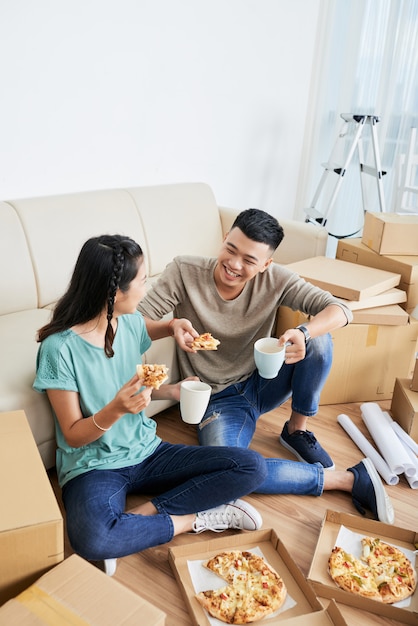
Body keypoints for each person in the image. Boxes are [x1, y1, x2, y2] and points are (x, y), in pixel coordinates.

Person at [137, 208, 394, 524]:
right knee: (228, 469)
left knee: (319, 340)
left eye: (248, 260)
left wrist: (303, 332)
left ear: (266, 265)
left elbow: (340, 310)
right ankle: (349, 480)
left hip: (264, 380)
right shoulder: (184, 271)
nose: (233, 264)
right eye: (230, 249)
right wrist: (172, 324)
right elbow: (134, 324)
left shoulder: (277, 279)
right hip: (217, 399)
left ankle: (297, 431)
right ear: (224, 239)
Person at [33, 234, 268, 577]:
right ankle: (192, 520)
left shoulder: (126, 322)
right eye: (142, 281)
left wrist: (175, 333)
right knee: (92, 539)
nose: (147, 289)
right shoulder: (59, 349)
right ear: (115, 293)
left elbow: (156, 333)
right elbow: (71, 436)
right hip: (94, 464)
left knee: (251, 467)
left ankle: (141, 518)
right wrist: (115, 409)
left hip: (148, 451)